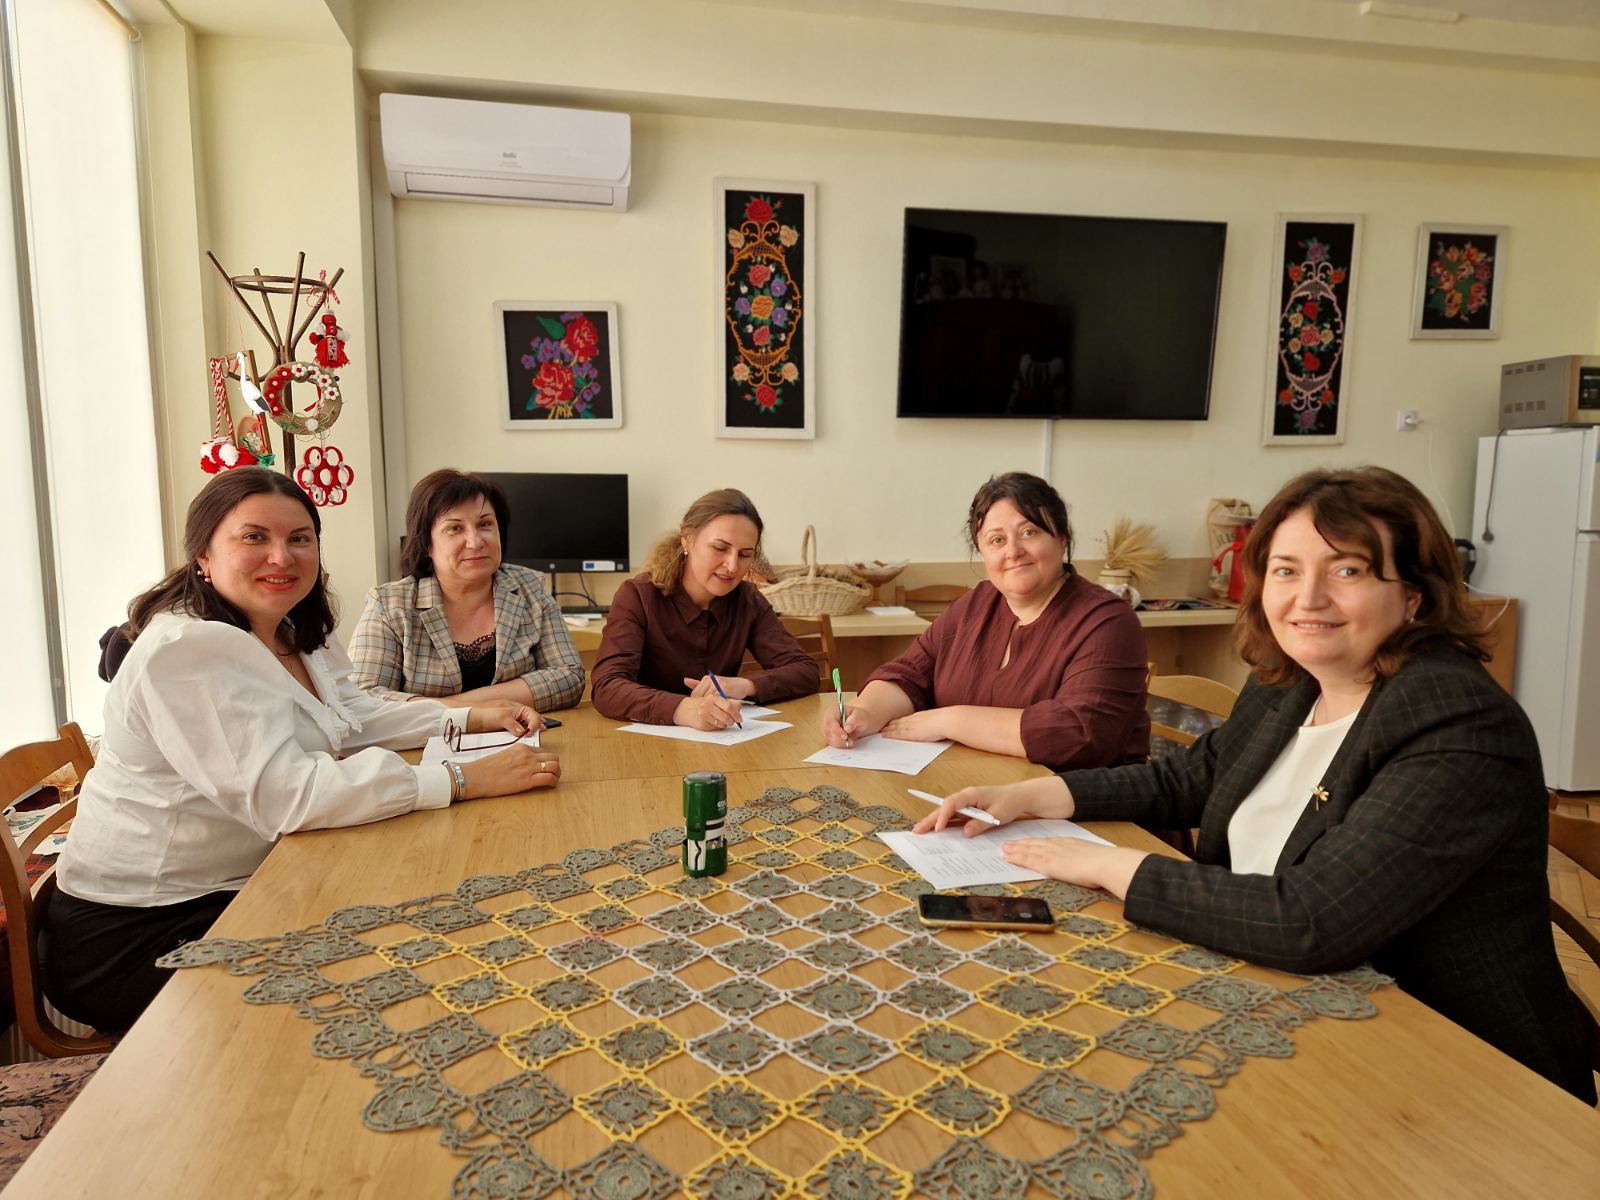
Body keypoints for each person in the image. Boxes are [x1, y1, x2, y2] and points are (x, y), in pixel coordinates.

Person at [918, 466, 1595, 1103]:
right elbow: (1194, 776)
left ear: (1414, 593)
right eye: (1286, 570)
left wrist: (1106, 865)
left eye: (1348, 570)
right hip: (1279, 1001)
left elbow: (1312, 919)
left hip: (1450, 1064)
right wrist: (1035, 797)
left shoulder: (1458, 722)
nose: (1308, 598)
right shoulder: (1292, 681)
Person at [42, 469, 562, 1035]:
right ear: (203, 554)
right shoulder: (188, 648)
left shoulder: (288, 625)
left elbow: (352, 715)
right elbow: (288, 796)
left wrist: (465, 718)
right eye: (254, 537)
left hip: (245, 883)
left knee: (427, 911)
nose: (281, 556)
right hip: (142, 930)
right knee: (399, 967)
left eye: (299, 538)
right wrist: (462, 779)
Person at [822, 472, 1148, 770]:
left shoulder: (1107, 622)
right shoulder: (977, 604)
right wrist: (864, 713)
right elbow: (910, 675)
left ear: (1062, 537)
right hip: (973, 787)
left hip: (1080, 806)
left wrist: (951, 721)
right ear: (982, 552)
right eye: (996, 540)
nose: (1013, 551)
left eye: (1029, 532)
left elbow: (1078, 734)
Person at [350, 469, 584, 713]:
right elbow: (363, 698)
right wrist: (473, 714)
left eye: (485, 524)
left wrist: (461, 704)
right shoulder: (390, 605)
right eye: (455, 528)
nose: (475, 542)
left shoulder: (529, 587)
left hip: (522, 735)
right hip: (427, 738)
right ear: (426, 543)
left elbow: (569, 677)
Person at [591, 488, 818, 730]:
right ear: (687, 539)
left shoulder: (748, 599)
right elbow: (607, 686)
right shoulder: (637, 596)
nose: (732, 566)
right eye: (720, 548)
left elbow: (805, 671)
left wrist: (743, 685)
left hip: (723, 740)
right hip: (643, 743)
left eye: (745, 554)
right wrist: (680, 709)